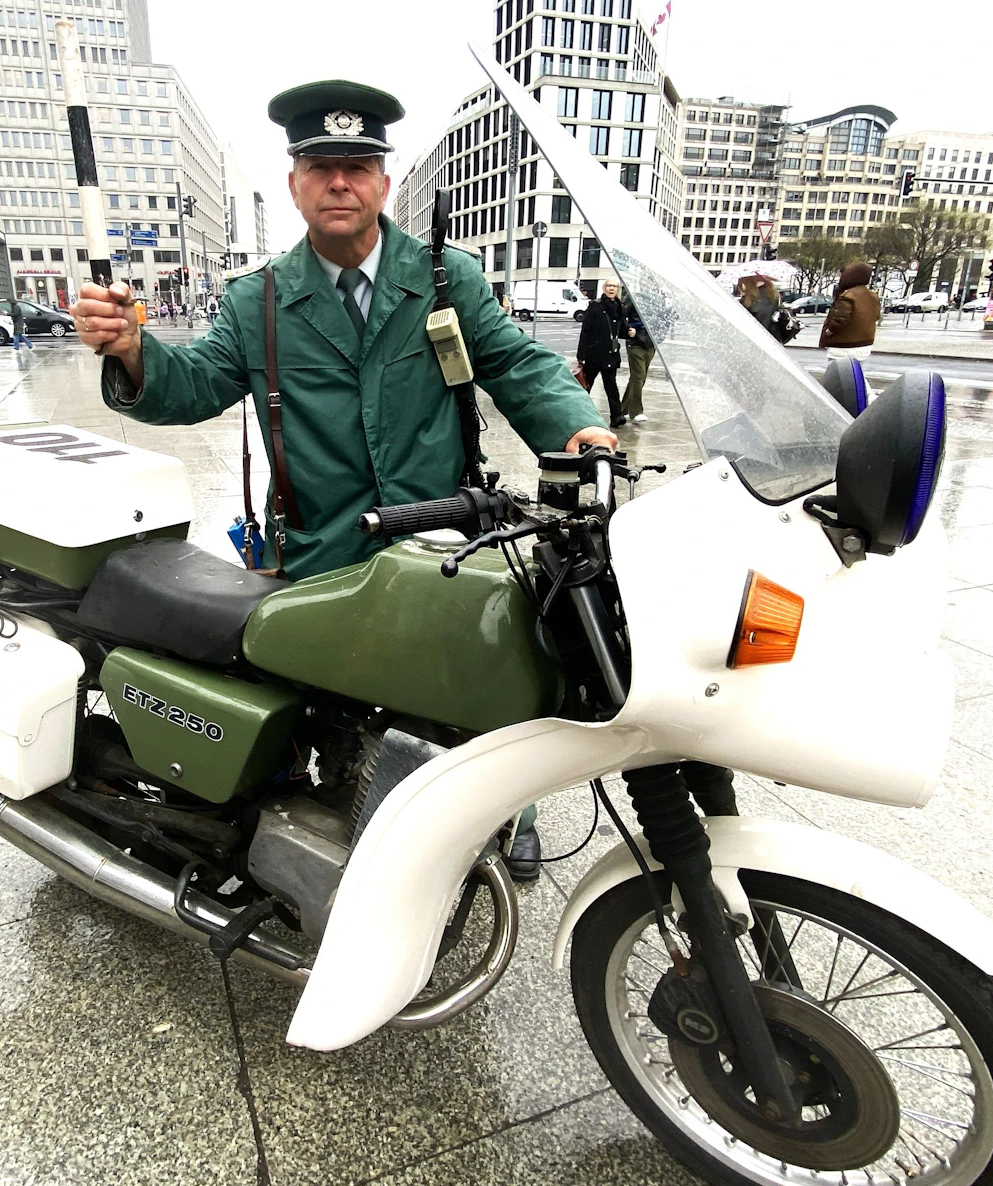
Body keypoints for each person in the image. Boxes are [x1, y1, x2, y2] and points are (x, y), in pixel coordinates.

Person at [72, 79, 612, 881]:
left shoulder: (440, 279)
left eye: (357, 165)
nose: (339, 182)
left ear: (384, 181)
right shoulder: (258, 300)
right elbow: (190, 383)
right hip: (324, 552)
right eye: (320, 165)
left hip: (442, 540)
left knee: (498, 681)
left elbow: (516, 363)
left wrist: (581, 429)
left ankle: (513, 806)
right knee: (331, 722)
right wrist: (129, 352)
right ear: (293, 182)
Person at [577, 280, 626, 427]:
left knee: (611, 386)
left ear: (618, 289)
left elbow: (620, 329)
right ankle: (578, 414)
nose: (612, 288)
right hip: (594, 353)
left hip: (611, 353)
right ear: (604, 288)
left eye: (614, 286)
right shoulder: (595, 306)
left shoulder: (619, 307)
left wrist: (629, 331)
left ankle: (617, 416)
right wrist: (581, 355)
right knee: (586, 386)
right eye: (609, 286)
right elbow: (585, 330)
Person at [818, 262, 880, 358]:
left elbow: (839, 319)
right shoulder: (873, 296)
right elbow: (876, 316)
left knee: (838, 372)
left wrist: (829, 331)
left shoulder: (848, 296)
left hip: (843, 345)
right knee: (856, 372)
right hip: (865, 345)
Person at [618, 286, 655, 424]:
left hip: (650, 343)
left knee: (639, 377)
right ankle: (636, 411)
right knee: (638, 376)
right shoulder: (634, 297)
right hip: (636, 342)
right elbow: (622, 315)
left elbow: (660, 319)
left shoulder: (657, 299)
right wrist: (629, 329)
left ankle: (624, 409)